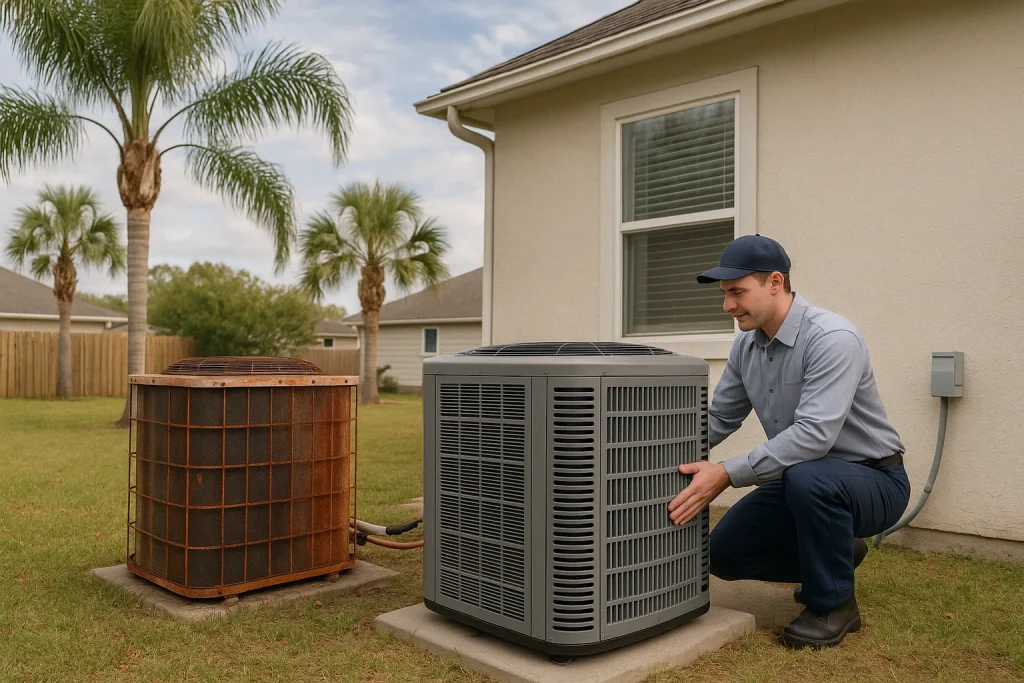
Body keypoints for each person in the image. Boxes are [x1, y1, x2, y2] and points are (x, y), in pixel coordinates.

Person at [666, 234, 911, 650]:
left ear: (775, 282)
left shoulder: (833, 338)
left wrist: (726, 473)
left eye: (737, 292)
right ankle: (838, 554)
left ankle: (833, 606)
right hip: (804, 479)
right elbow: (720, 417)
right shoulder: (747, 344)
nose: (728, 306)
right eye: (725, 295)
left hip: (875, 481)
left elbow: (814, 435)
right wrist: (656, 452)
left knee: (809, 476)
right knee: (724, 553)